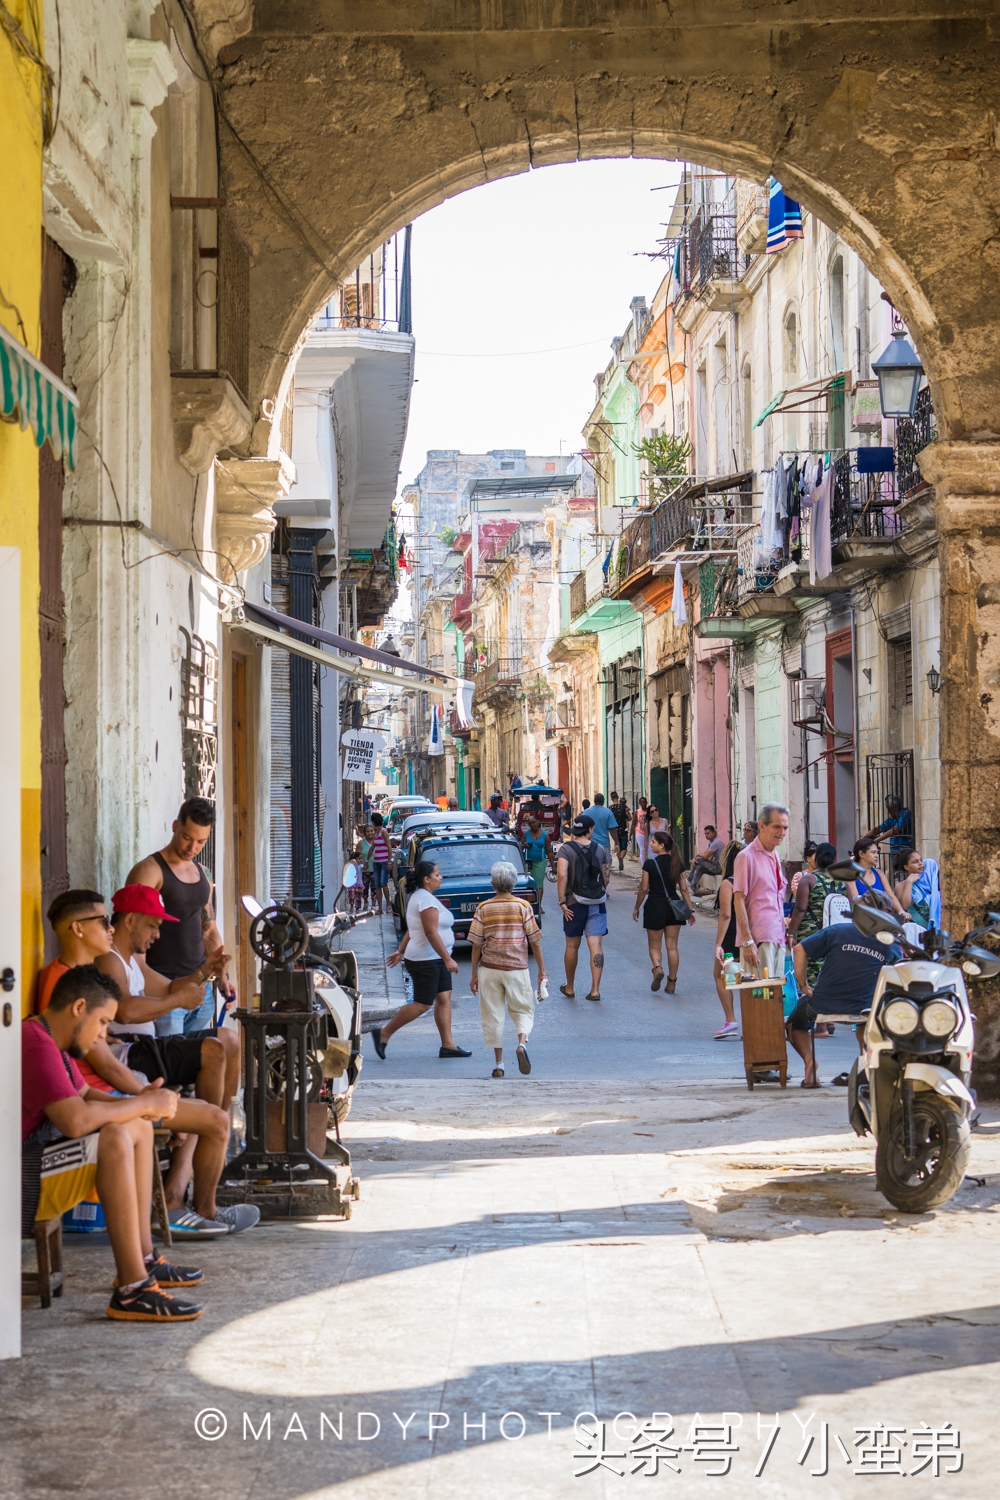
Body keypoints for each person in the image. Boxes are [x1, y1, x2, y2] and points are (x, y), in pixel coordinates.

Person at [22, 964, 205, 1321]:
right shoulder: (35, 1042)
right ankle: (132, 1290)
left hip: (34, 1165)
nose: (103, 1036)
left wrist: (142, 1106)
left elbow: (86, 1093)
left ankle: (144, 1260)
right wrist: (141, 1103)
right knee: (114, 1137)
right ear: (78, 1008)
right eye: (103, 1022)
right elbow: (76, 1121)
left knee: (133, 1125)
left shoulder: (50, 1039)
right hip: (18, 1181)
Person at [95, 884, 258, 1235]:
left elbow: (169, 988)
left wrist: (205, 971)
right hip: (128, 1053)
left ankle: (199, 1156)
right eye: (153, 925)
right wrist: (178, 1001)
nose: (157, 934)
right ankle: (198, 1195)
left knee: (228, 1039)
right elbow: (127, 1008)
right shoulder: (109, 959)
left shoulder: (133, 960)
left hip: (144, 1048)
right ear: (131, 920)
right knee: (212, 1051)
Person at [125, 798, 235, 1040]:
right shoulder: (149, 872)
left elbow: (208, 931)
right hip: (164, 990)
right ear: (175, 826)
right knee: (169, 1068)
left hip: (201, 990)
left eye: (201, 842)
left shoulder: (203, 874)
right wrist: (144, 992)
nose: (192, 847)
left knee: (197, 1065)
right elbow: (131, 941)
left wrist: (221, 977)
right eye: (187, 837)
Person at [788, 890, 903, 1087]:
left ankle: (810, 1063)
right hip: (863, 1008)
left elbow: (799, 950)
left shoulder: (838, 931)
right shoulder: (891, 944)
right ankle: (862, 1068)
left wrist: (803, 985)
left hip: (822, 1004)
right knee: (868, 1025)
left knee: (794, 1024)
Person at [377, 861, 472, 1060]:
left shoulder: (424, 897)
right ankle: (383, 1033)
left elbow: (414, 929)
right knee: (422, 1003)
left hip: (433, 957)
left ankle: (448, 1045)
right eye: (437, 874)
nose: (441, 877)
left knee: (444, 999)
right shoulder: (426, 901)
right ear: (426, 879)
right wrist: (448, 959)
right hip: (426, 959)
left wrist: (401, 951)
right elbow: (429, 932)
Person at [469, 861, 546, 1078]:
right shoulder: (523, 907)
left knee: (493, 1015)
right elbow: (535, 941)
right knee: (522, 1009)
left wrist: (474, 974)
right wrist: (542, 971)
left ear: (493, 884)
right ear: (513, 883)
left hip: (490, 969)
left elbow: (476, 943)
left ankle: (499, 1064)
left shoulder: (483, 908)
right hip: (516, 968)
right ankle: (522, 1044)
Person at [786, 842, 847, 1037]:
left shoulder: (809, 880)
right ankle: (829, 1022)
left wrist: (791, 933)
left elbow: (800, 909)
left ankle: (820, 1027)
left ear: (817, 857)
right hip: (835, 933)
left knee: (812, 978)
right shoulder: (840, 880)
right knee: (827, 975)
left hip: (812, 935)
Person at [632, 827, 695, 992]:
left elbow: (644, 888)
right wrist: (690, 909)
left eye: (653, 842)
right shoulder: (677, 864)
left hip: (654, 905)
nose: (651, 845)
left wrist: (636, 907)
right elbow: (684, 889)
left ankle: (658, 967)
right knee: (672, 947)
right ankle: (672, 983)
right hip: (674, 905)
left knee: (654, 945)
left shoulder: (650, 864)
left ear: (661, 845)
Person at [556, 815, 611, 1002]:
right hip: (596, 903)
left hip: (573, 904)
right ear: (590, 830)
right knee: (595, 945)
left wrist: (562, 901)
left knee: (572, 945)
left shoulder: (566, 849)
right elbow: (606, 878)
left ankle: (570, 987)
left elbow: (562, 875)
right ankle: (595, 990)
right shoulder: (600, 849)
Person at [732, 803, 789, 978]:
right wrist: (748, 941)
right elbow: (739, 899)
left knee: (775, 998)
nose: (782, 832)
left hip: (778, 936)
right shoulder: (746, 856)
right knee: (759, 999)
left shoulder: (775, 854)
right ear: (762, 826)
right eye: (777, 827)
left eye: (785, 827)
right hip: (759, 939)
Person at [711, 840, 744, 1039]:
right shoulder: (752, 880)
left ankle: (731, 1019)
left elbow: (725, 915)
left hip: (731, 935)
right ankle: (749, 1020)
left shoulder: (728, 882)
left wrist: (718, 944)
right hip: (749, 934)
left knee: (722, 975)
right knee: (748, 979)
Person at [846, 836, 907, 917]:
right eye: (873, 852)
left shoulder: (880, 874)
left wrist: (901, 912)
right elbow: (856, 900)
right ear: (861, 854)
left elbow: (890, 896)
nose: (876, 856)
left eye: (877, 853)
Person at [893, 847, 942, 930]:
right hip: (914, 931)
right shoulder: (901, 885)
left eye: (921, 860)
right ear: (906, 867)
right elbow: (904, 906)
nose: (920, 863)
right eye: (915, 862)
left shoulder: (931, 880)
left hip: (936, 930)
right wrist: (909, 882)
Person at [865, 794, 914, 860]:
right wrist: (862, 839)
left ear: (891, 808)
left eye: (887, 808)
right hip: (895, 855)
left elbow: (895, 830)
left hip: (906, 854)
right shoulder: (892, 819)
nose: (888, 811)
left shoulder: (905, 813)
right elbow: (877, 829)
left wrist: (877, 840)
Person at [521, 816, 552, 914]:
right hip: (528, 863)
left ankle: (538, 906)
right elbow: (520, 845)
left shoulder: (545, 835)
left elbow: (549, 851)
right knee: (528, 885)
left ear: (538, 822)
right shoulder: (526, 834)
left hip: (540, 862)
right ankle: (528, 906)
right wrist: (524, 845)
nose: (532, 825)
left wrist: (553, 866)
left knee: (539, 885)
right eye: (530, 824)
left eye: (533, 822)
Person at [361, 812, 392, 913]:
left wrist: (389, 862)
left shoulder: (384, 832)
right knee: (377, 885)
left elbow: (389, 847)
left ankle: (388, 905)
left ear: (373, 822)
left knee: (383, 884)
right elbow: (372, 848)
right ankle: (380, 908)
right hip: (376, 862)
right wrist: (366, 861)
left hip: (383, 862)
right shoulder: (376, 834)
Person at [689, 825, 725, 894]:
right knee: (700, 867)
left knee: (699, 859)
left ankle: (689, 879)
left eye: (708, 833)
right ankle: (692, 889)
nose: (706, 835)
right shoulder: (710, 843)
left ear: (714, 833)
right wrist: (695, 858)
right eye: (705, 834)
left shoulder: (716, 843)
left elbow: (705, 857)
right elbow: (705, 853)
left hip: (719, 868)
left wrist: (697, 856)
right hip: (715, 866)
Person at [610, 792, 630, 872]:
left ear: (611, 798)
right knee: (624, 847)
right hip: (623, 829)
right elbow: (629, 817)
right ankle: (621, 857)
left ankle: (619, 859)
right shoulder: (623, 807)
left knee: (617, 845)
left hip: (615, 830)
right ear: (618, 797)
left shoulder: (610, 808)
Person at [630, 796, 648, 861]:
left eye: (644, 802)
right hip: (640, 832)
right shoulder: (637, 812)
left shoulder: (649, 811)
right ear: (639, 803)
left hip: (648, 833)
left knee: (649, 849)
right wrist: (630, 836)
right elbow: (633, 824)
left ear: (646, 802)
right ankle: (644, 866)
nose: (643, 804)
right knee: (642, 849)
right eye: (642, 802)